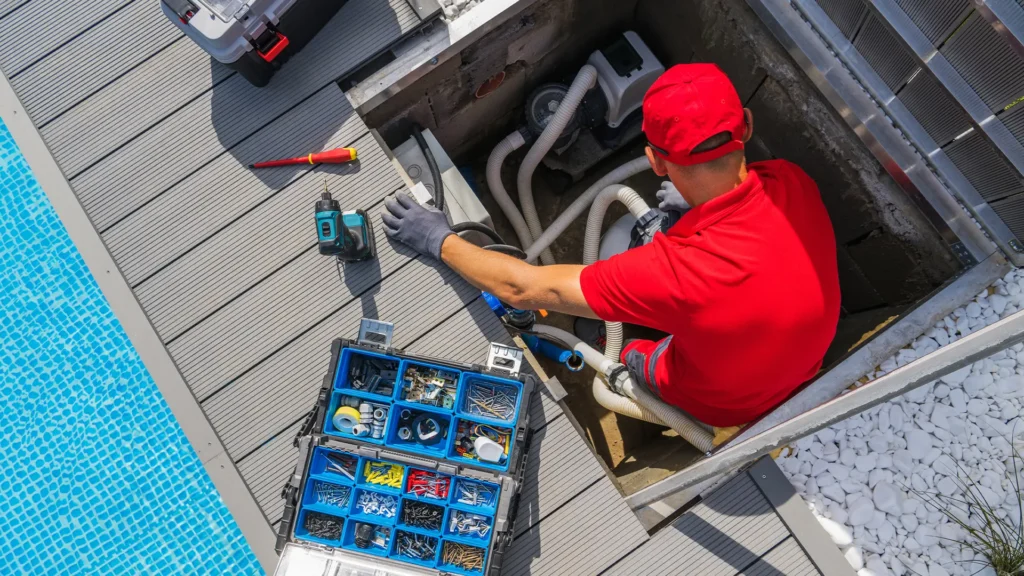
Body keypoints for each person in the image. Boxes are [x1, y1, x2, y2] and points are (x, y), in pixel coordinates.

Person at [382, 63, 841, 427]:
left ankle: (604, 339)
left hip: (722, 403)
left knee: (631, 338)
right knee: (658, 235)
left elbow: (521, 288)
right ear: (745, 126)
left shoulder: (676, 274)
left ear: (656, 162)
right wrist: (693, 204)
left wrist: (437, 238)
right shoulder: (790, 182)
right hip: (802, 365)